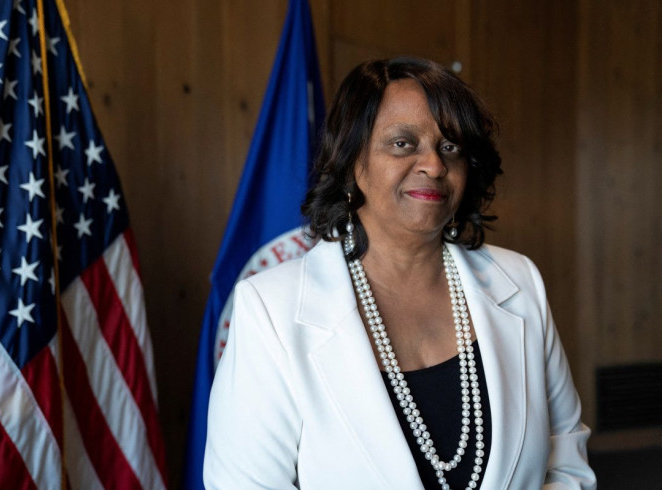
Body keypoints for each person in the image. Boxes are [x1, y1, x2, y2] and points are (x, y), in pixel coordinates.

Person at [203, 57, 596, 489]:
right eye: (403, 144)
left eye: (450, 147)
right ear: (354, 164)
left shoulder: (521, 282)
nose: (434, 165)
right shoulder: (270, 310)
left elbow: (566, 462)